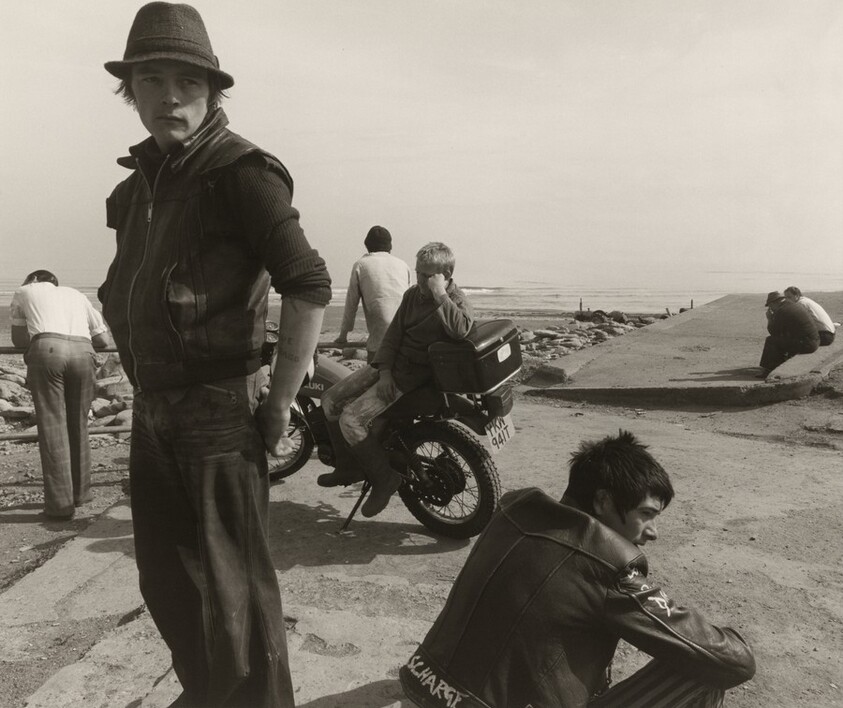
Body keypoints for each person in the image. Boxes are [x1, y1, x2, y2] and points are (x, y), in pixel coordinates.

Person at [101, 3, 331, 706]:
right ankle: (212, 694)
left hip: (217, 410)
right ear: (129, 90)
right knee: (168, 581)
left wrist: (280, 402)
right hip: (155, 409)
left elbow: (309, 283)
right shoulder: (137, 186)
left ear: (212, 92)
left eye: (187, 82)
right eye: (151, 79)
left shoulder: (241, 172)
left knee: (235, 594)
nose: (169, 96)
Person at [400, 430, 756, 708]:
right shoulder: (609, 566)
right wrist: (723, 638)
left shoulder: (513, 510)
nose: (653, 532)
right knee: (709, 672)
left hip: (424, 685)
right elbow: (735, 662)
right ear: (602, 500)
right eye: (646, 515)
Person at [318, 242, 473, 518]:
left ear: (445, 273)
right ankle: (346, 466)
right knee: (329, 399)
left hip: (414, 376)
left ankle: (384, 479)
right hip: (390, 368)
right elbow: (392, 337)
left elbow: (461, 330)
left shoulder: (456, 300)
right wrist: (385, 371)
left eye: (429, 275)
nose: (422, 281)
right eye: (419, 274)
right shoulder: (413, 296)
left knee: (350, 420)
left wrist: (440, 295)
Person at [10, 270, 111, 520]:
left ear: (33, 280)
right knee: (79, 425)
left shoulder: (24, 291)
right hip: (84, 353)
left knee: (53, 427)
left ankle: (59, 506)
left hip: (49, 351)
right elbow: (103, 339)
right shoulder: (77, 294)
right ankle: (81, 494)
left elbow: (18, 340)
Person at [335, 225, 412, 363]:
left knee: (374, 375)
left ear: (367, 246)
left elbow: (351, 304)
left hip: (380, 333)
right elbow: (411, 299)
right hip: (407, 330)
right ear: (390, 246)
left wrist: (343, 335)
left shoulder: (361, 265)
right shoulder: (403, 265)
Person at [758, 290, 819, 376]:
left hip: (807, 344)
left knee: (771, 340)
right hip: (813, 341)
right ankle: (778, 363)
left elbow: (774, 332)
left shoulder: (782, 311)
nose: (770, 309)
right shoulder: (791, 305)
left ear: (774, 303)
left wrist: (770, 319)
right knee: (782, 339)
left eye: (770, 306)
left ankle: (768, 369)